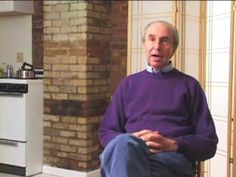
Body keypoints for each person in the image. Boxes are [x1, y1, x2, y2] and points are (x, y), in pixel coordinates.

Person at [99, 20, 218, 177]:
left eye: (165, 40)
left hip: (170, 158)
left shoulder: (190, 86)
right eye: (151, 39)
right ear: (144, 45)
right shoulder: (128, 84)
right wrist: (131, 141)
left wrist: (174, 145)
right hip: (129, 154)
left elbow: (208, 143)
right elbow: (107, 131)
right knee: (123, 148)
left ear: (173, 48)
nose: (157, 46)